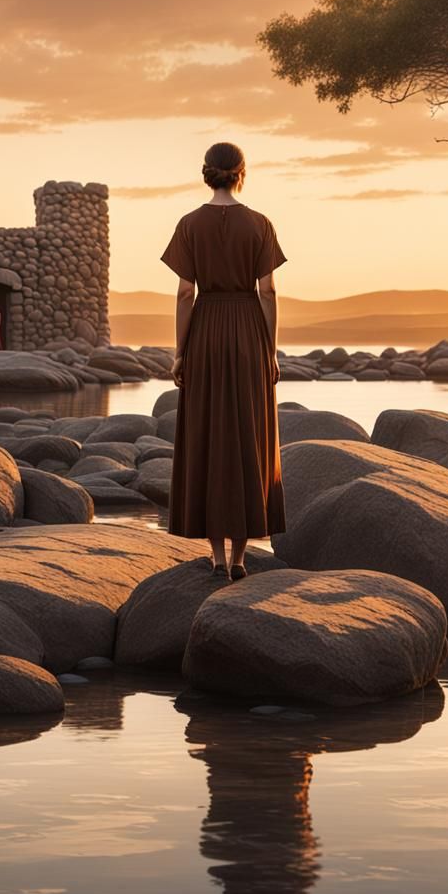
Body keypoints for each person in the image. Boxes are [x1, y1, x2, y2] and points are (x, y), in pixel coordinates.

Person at [160, 141, 286, 580]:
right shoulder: (260, 224)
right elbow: (268, 291)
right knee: (249, 435)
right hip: (249, 331)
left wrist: (180, 351)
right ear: (241, 173)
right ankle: (240, 559)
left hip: (207, 331)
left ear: (206, 173)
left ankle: (215, 556)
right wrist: (270, 349)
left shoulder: (189, 224)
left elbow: (184, 293)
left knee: (207, 434)